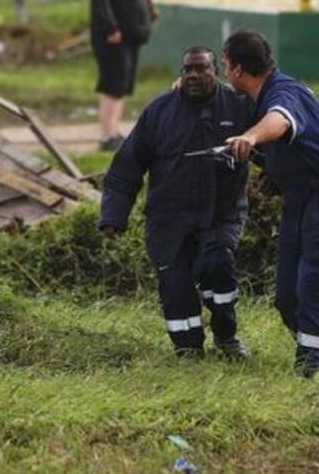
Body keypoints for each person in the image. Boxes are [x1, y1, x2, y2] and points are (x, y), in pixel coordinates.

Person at [220, 31, 319, 375]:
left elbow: (281, 120)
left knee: (316, 282)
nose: (224, 74)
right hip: (301, 200)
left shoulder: (284, 93)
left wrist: (250, 137)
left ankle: (313, 369)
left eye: (225, 66)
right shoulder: (257, 99)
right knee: (288, 295)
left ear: (238, 68)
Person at [99, 46, 252, 360]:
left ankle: (226, 336)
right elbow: (127, 165)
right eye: (188, 70)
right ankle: (188, 350)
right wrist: (114, 214)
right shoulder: (159, 111)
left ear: (216, 72)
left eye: (202, 69)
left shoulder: (238, 108)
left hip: (220, 215)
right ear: (181, 74)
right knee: (175, 286)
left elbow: (269, 147)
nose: (194, 75)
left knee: (218, 268)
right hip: (168, 219)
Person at [91, 0, 155, 151]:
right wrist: (111, 28)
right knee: (112, 85)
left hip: (128, 37)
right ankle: (107, 136)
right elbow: (101, 0)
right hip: (114, 38)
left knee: (121, 86)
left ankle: (114, 130)